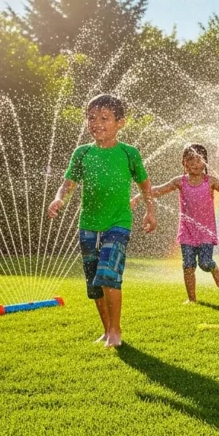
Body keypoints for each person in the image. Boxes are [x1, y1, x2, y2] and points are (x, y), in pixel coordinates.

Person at [47, 94, 156, 348]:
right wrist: (59, 199)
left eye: (104, 118)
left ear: (120, 122)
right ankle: (106, 330)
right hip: (88, 224)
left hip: (118, 222)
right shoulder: (82, 153)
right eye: (92, 118)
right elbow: (68, 183)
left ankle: (116, 331)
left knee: (108, 274)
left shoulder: (129, 153)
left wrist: (150, 211)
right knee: (95, 282)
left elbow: (144, 184)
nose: (97, 123)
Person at [132, 143, 219, 304]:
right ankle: (192, 299)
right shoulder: (180, 182)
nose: (195, 164)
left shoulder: (211, 182)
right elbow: (158, 190)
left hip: (205, 232)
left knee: (204, 263)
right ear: (184, 163)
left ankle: (214, 268)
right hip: (187, 231)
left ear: (206, 162)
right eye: (191, 160)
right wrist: (139, 197)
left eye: (200, 160)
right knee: (188, 265)